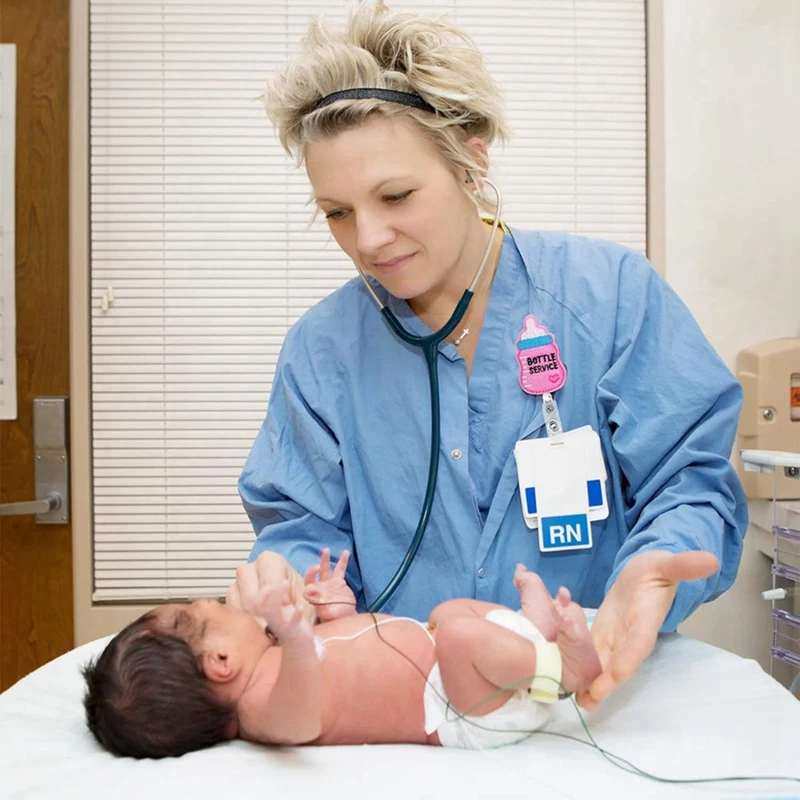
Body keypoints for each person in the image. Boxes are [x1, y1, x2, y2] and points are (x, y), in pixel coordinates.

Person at [234, 3, 747, 711]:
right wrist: (291, 585)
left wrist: (657, 563)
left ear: (471, 161)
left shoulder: (610, 297)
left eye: (396, 195)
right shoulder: (322, 352)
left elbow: (690, 484)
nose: (369, 239)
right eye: (338, 212)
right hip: (412, 714)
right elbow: (302, 530)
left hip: (594, 696)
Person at [82, 561, 605, 758]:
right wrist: (293, 635)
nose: (226, 604)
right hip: (465, 711)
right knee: (458, 635)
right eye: (217, 609)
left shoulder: (274, 663)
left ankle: (533, 636)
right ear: (221, 660)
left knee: (448, 615)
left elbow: (346, 657)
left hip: (463, 678)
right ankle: (564, 672)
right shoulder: (262, 710)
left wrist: (337, 612)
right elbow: (303, 712)